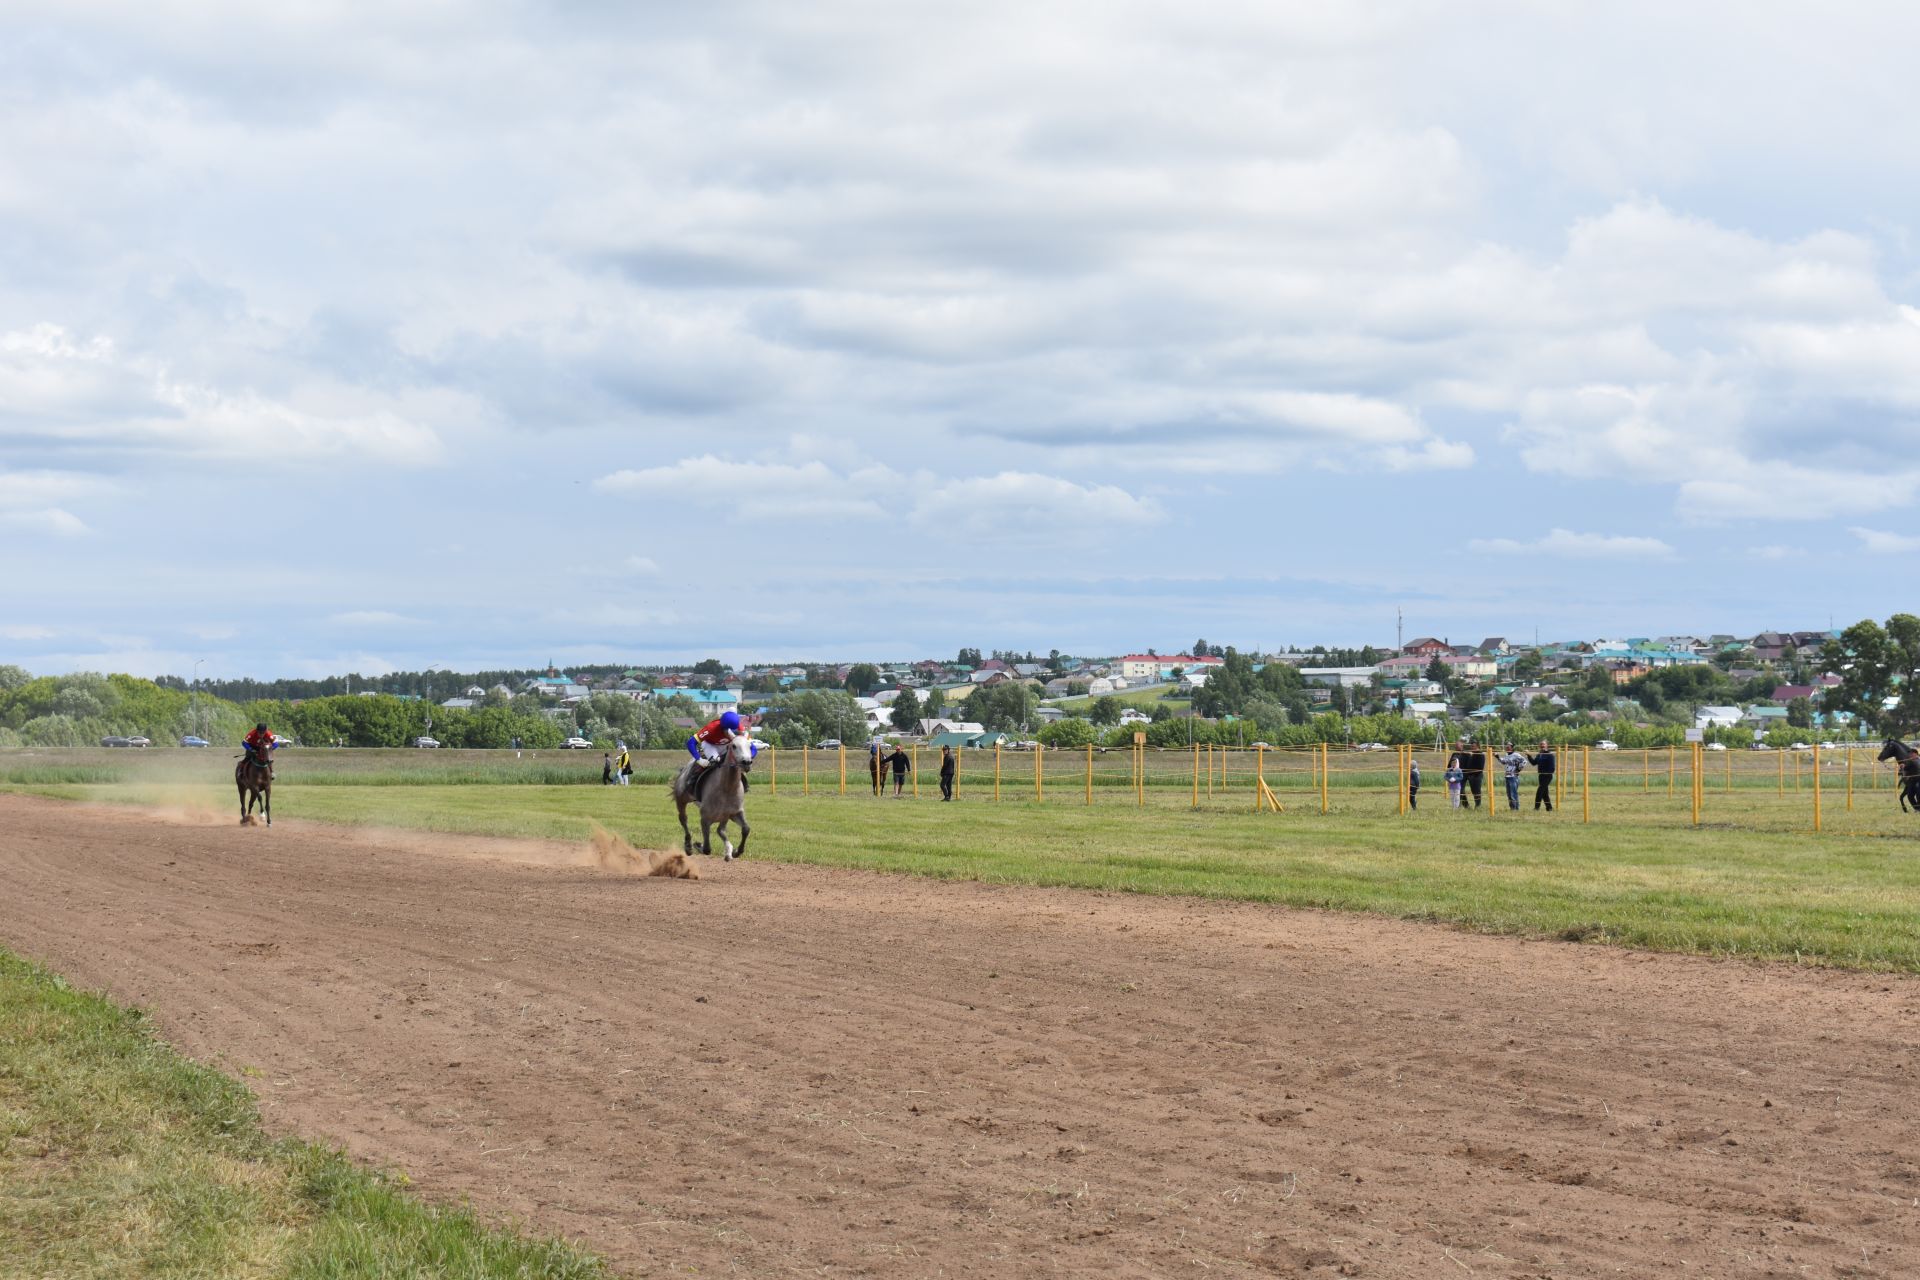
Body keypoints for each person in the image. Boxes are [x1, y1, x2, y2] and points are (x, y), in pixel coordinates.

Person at [1528, 740, 1557, 811]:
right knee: (1544, 793)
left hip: (1547, 776)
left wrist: (1548, 773)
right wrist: (1529, 755)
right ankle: (1549, 808)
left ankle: (1536, 808)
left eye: (1543, 744)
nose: (1542, 746)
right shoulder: (1539, 755)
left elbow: (1552, 767)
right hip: (1541, 776)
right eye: (1541, 744)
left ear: (1547, 745)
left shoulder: (1550, 755)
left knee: (1540, 791)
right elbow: (1533, 763)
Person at [1498, 743, 1528, 810]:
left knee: (1513, 794)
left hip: (1513, 777)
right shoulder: (1506, 755)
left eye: (1508, 747)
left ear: (1512, 748)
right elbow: (1504, 762)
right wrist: (1497, 757)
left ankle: (1516, 808)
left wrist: (1518, 769)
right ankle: (1512, 808)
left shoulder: (1516, 755)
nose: (1507, 748)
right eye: (1506, 747)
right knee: (1509, 794)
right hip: (1507, 776)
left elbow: (1524, 761)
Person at [1457, 738, 1484, 808]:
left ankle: (1478, 805)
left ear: (1477, 746)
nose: (1472, 747)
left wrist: (1473, 774)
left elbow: (1480, 767)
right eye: (1471, 746)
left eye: (1473, 746)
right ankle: (1473, 805)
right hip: (1471, 776)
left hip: (1477, 776)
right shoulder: (1472, 754)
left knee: (1477, 791)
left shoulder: (1480, 754)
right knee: (1473, 791)